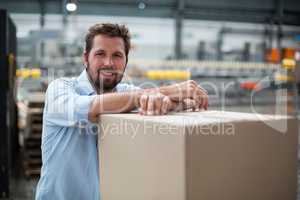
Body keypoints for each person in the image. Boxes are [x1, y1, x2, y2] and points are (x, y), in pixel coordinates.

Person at [35, 23, 208, 200]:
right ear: (86, 58)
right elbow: (92, 108)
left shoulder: (126, 91)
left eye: (117, 55)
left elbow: (167, 101)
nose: (109, 63)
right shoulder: (61, 89)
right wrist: (167, 91)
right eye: (100, 54)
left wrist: (169, 101)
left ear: (126, 60)